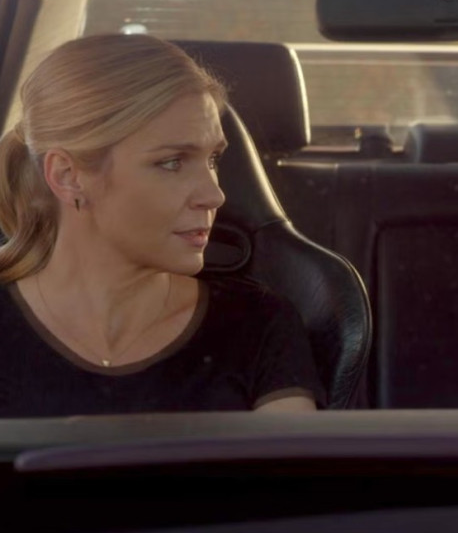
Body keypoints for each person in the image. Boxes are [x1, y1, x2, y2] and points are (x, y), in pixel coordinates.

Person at [0, 34, 324, 416]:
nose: (214, 195)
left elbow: (292, 456)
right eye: (172, 163)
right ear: (68, 176)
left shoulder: (257, 327)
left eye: (213, 160)